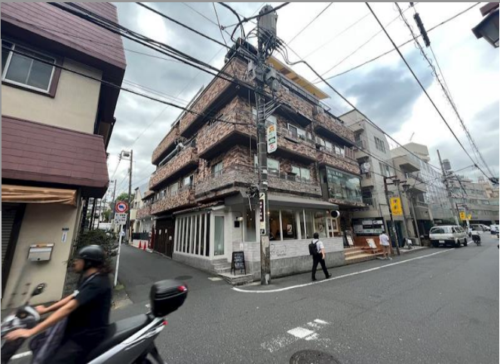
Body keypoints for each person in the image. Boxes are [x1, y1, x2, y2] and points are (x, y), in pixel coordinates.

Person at [5, 245, 112, 364]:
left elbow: (69, 307)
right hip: (73, 330)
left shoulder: (97, 282)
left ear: (88, 263)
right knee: (39, 343)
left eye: (79, 259)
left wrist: (30, 331)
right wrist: (46, 310)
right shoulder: (89, 278)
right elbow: (72, 297)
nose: (75, 262)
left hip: (85, 337)